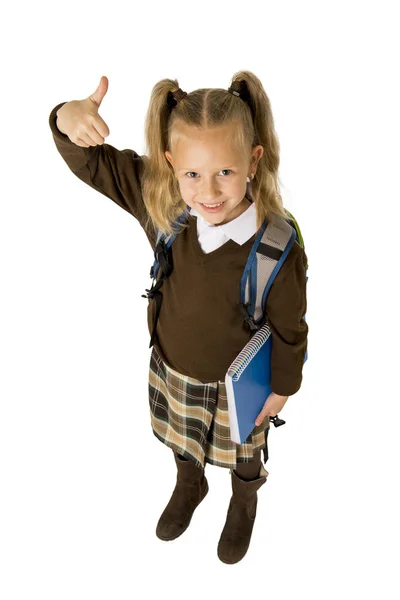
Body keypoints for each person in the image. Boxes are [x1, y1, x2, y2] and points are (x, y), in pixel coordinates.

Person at [48, 71, 308, 565]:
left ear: (253, 160)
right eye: (191, 174)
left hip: (243, 390)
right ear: (170, 165)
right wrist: (66, 119)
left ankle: (245, 499)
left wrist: (282, 388)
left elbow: (292, 330)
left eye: (225, 173)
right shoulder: (163, 206)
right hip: (175, 371)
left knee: (245, 452)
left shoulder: (276, 247)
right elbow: (94, 164)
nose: (208, 191)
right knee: (181, 439)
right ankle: (190, 485)